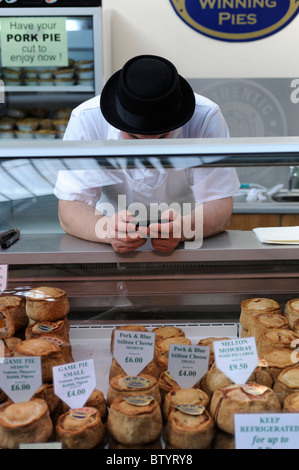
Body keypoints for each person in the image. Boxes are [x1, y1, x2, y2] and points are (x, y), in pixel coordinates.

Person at [54, 55, 240, 253]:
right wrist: (108, 230)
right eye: (134, 138)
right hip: (107, 238)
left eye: (162, 139)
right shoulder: (87, 120)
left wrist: (185, 228)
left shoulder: (205, 118)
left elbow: (219, 205)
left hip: (185, 242)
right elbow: (70, 209)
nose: (149, 155)